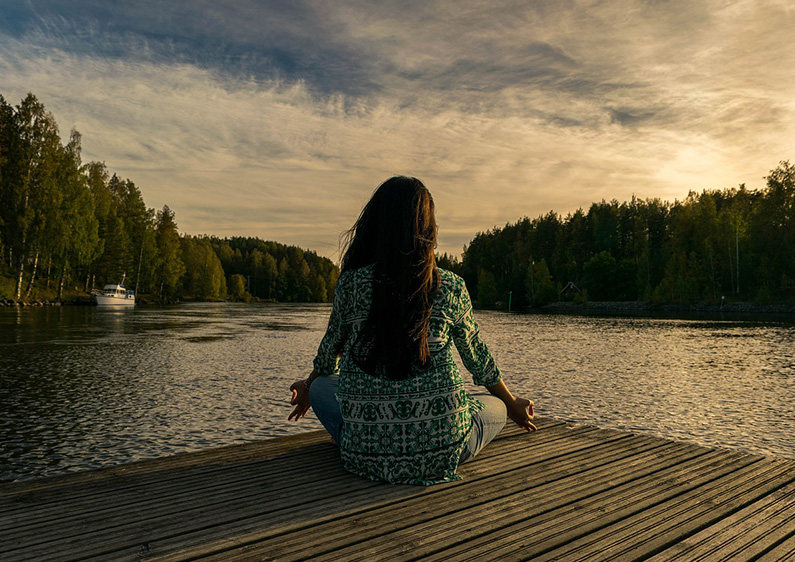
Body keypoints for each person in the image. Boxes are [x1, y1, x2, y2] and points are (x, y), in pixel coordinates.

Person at [288, 176, 535, 485]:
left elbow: (327, 357)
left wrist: (309, 386)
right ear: (428, 229)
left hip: (365, 456)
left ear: (375, 226)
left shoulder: (350, 284)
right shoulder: (451, 286)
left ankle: (362, 436)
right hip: (444, 451)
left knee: (324, 384)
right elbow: (478, 360)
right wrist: (513, 405)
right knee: (495, 405)